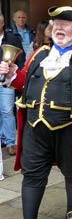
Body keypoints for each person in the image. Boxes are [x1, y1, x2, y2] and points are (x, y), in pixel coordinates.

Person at [0, 6, 72, 219]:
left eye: (65, 25)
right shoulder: (39, 54)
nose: (59, 28)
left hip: (71, 127)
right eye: (56, 25)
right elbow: (25, 82)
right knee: (32, 174)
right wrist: (11, 73)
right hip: (35, 127)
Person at [0, 13, 25, 157]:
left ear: (2, 23)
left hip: (7, 82)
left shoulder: (13, 38)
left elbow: (20, 59)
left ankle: (10, 143)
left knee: (7, 111)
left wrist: (17, 76)